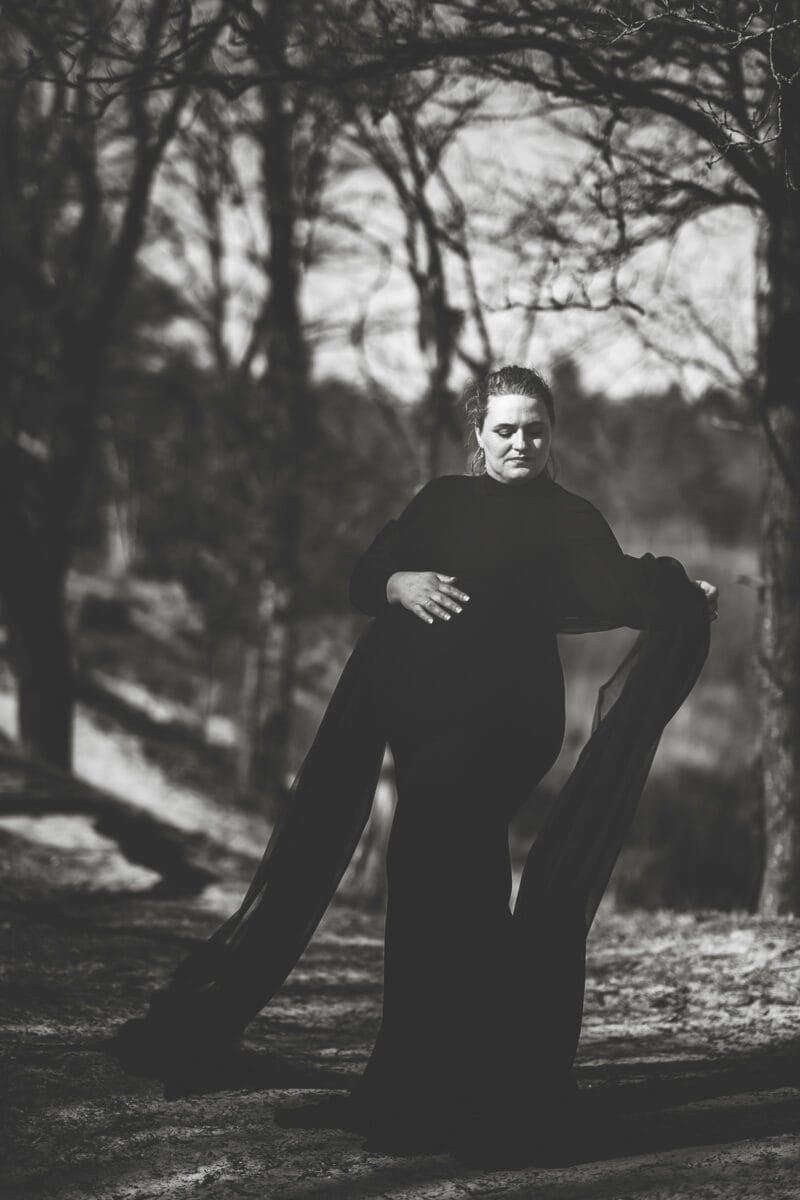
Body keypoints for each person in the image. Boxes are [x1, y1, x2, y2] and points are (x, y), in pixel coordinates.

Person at [111, 365, 716, 1166]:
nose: (521, 442)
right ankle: (446, 1084)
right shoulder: (441, 501)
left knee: (441, 868)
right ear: (478, 435)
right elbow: (366, 575)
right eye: (505, 429)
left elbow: (621, 588)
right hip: (424, 728)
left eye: (534, 428)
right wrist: (398, 581)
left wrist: (682, 592)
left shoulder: (570, 518)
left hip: (505, 729)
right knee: (435, 881)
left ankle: (442, 1096)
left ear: (551, 432)